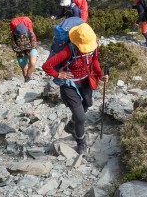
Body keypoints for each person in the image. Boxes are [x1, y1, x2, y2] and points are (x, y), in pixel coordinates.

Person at [41, 23, 108, 154]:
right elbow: (46, 66)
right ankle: (80, 140)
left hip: (85, 81)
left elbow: (94, 61)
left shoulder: (93, 46)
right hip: (69, 85)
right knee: (81, 118)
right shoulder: (68, 50)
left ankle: (72, 124)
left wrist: (100, 75)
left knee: (88, 103)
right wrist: (59, 74)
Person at [9, 15, 38, 82]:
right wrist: (25, 47)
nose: (20, 35)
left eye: (22, 34)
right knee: (24, 68)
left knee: (32, 64)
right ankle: (26, 79)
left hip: (30, 50)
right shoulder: (14, 36)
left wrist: (21, 48)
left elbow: (33, 44)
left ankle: (28, 76)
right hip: (20, 53)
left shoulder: (30, 33)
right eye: (19, 34)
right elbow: (14, 47)